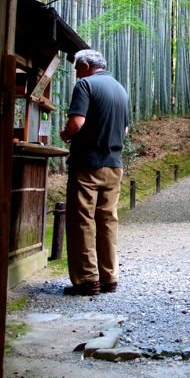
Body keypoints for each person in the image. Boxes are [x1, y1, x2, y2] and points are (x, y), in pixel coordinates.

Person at [59, 48, 129, 296]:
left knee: (82, 221)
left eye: (77, 67)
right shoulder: (120, 89)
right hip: (114, 163)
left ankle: (88, 280)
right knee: (108, 220)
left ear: (87, 65)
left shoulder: (85, 85)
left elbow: (77, 122)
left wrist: (65, 134)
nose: (76, 73)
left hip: (87, 164)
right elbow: (126, 130)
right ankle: (110, 278)